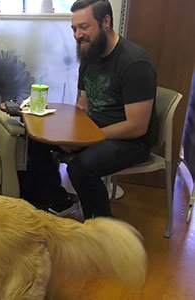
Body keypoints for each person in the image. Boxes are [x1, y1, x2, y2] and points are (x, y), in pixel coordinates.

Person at [26, 0, 157, 219]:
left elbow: (137, 126)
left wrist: (87, 139)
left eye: (84, 27)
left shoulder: (134, 62)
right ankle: (58, 201)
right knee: (35, 138)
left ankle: (103, 231)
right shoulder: (89, 54)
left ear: (106, 22)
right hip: (95, 131)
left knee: (81, 168)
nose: (77, 35)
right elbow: (82, 107)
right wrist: (70, 136)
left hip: (130, 141)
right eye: (74, 29)